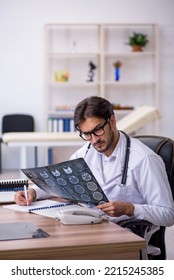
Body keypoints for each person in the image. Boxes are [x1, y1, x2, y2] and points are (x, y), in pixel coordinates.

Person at [15, 96, 174, 227]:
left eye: (97, 130)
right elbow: (61, 184)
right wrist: (34, 192)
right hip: (89, 224)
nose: (94, 140)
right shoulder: (86, 152)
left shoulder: (144, 160)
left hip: (125, 235)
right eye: (87, 134)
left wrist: (130, 208)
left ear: (112, 121)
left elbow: (168, 215)